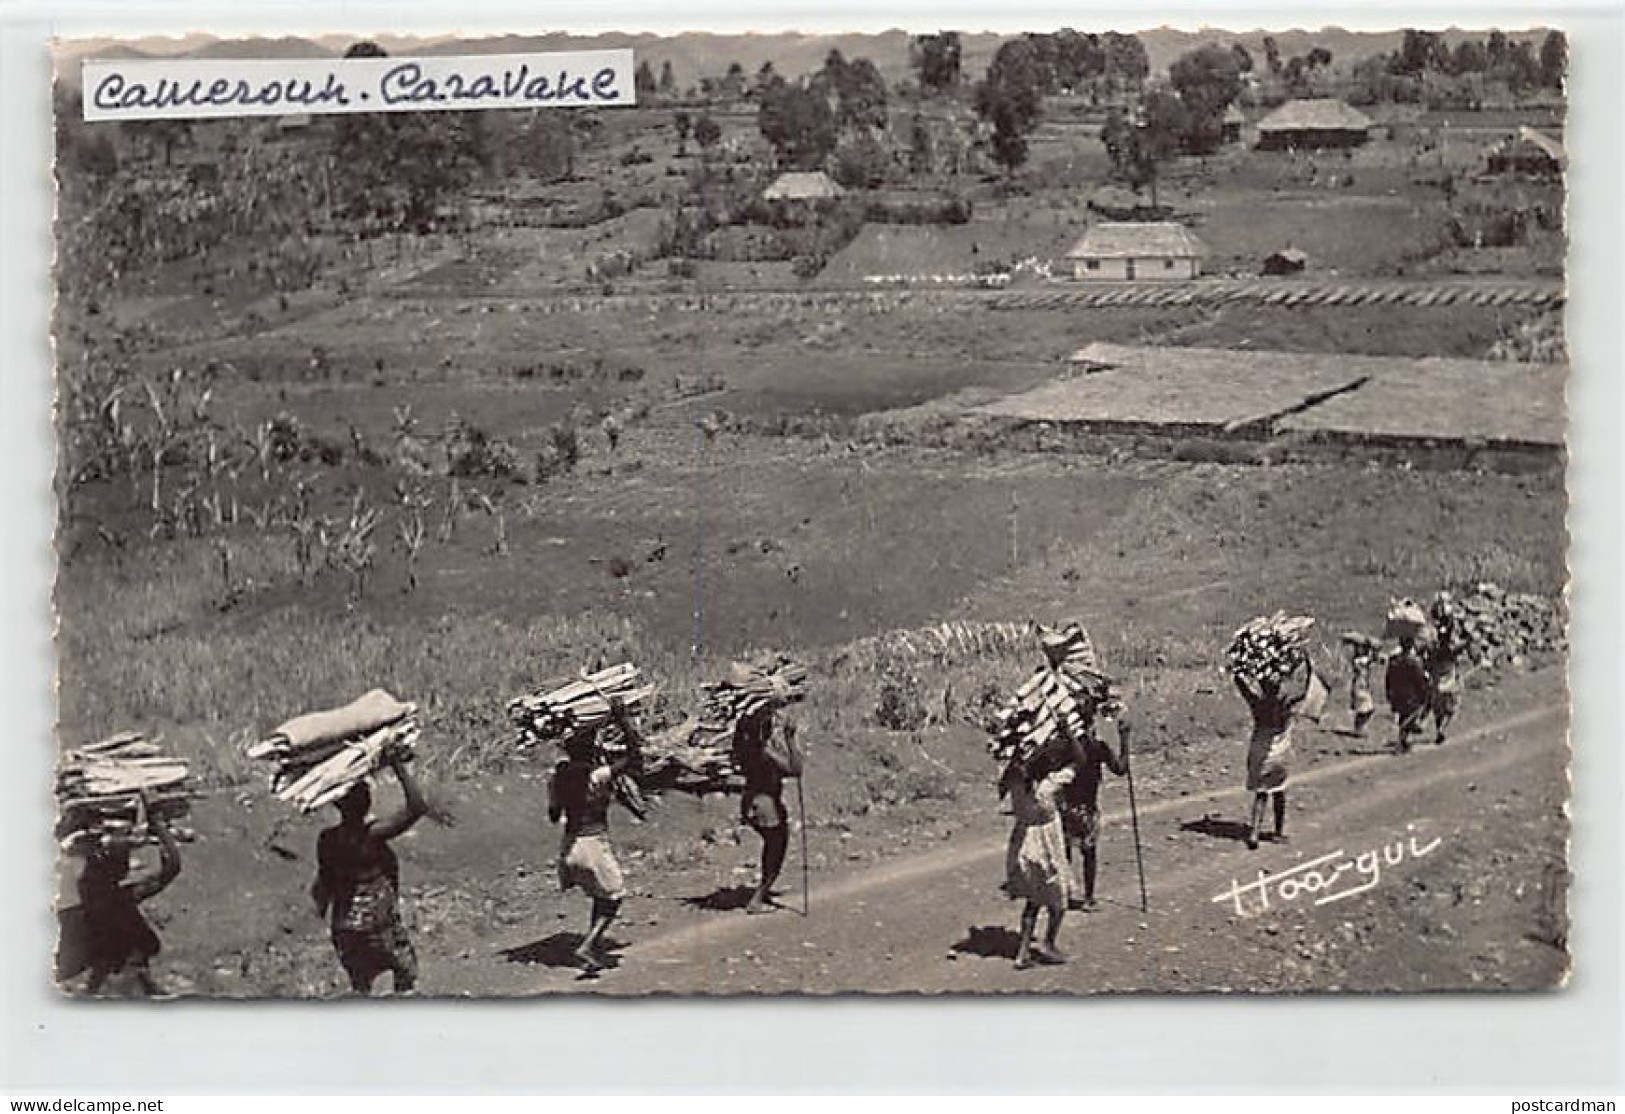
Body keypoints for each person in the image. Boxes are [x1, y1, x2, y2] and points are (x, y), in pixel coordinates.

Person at [311, 756, 428, 995]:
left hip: (344, 926)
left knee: (360, 985)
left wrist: (320, 918)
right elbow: (417, 807)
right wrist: (398, 765)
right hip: (378, 923)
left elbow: (324, 884)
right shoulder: (371, 835)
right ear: (366, 802)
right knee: (405, 974)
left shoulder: (327, 839)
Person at [548, 700, 642, 974]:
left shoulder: (557, 777)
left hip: (568, 848)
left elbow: (553, 814)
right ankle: (589, 944)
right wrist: (623, 720)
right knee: (614, 896)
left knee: (599, 895)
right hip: (593, 845)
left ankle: (595, 943)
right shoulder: (596, 775)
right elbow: (636, 758)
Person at [69, 796, 182, 996]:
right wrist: (158, 826)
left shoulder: (101, 899)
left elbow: (171, 867)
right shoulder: (119, 898)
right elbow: (172, 867)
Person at [1234, 656, 1325, 850]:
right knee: (1279, 792)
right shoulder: (1286, 705)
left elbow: (1242, 687)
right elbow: (1304, 692)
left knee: (1261, 793)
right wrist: (1308, 668)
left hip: (1259, 750)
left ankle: (1254, 832)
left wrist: (1239, 669)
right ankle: (1278, 832)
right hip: (1280, 754)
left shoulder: (1258, 704)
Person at [1002, 752, 1076, 969]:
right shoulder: (1048, 786)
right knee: (1058, 899)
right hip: (1046, 845)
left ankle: (1023, 951)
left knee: (1033, 900)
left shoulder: (1014, 785)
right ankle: (1048, 943)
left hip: (1023, 843)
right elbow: (1079, 760)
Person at [730, 703, 803, 915]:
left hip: (754, 802)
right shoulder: (763, 750)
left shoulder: (744, 745)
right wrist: (790, 738)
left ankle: (761, 891)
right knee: (777, 846)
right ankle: (758, 897)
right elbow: (795, 769)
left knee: (773, 845)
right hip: (765, 805)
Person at [1059, 711, 1129, 911]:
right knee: (1089, 854)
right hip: (1087, 809)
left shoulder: (1064, 748)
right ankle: (1088, 898)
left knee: (1064, 854)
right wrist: (1124, 738)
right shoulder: (1098, 748)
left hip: (1065, 807)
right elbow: (1121, 768)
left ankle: (1063, 893)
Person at [1385, 634, 1432, 754]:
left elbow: (1388, 677)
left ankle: (1404, 741)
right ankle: (1402, 741)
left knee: (1403, 715)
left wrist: (1389, 692)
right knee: (1411, 716)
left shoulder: (1394, 660)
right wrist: (1424, 691)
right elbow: (1419, 679)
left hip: (1397, 692)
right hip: (1411, 694)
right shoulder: (1413, 662)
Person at [1345, 636, 1379, 737]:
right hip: (1359, 685)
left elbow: (1376, 660)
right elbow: (1371, 660)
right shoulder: (1358, 660)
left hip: (1363, 685)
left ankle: (1359, 727)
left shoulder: (1361, 659)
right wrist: (1373, 648)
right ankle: (1359, 728)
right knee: (1365, 708)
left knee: (1367, 708)